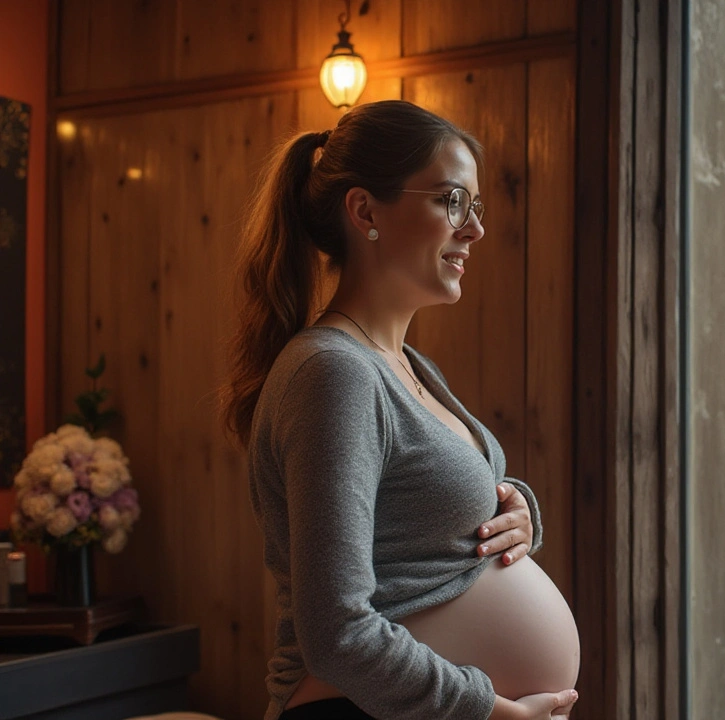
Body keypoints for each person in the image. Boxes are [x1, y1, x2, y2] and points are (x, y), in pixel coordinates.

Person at [220, 101, 580, 720]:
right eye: (451, 201)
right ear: (364, 211)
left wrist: (513, 510)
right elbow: (337, 630)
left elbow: (414, 520)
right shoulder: (333, 373)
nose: (475, 230)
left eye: (475, 206)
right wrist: (490, 710)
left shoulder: (407, 364)